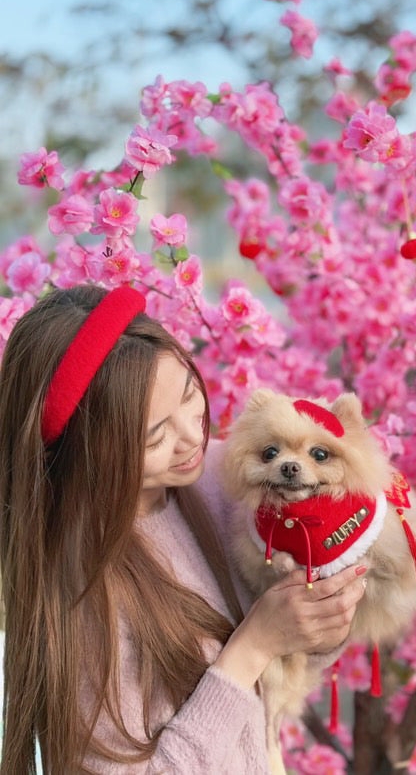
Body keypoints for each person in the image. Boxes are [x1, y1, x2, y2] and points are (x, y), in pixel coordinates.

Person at [0, 284, 367, 774]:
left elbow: (283, 672)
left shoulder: (226, 475)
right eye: (156, 435)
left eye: (191, 394)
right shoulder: (81, 590)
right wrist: (252, 645)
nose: (194, 436)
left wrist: (321, 620)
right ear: (90, 453)